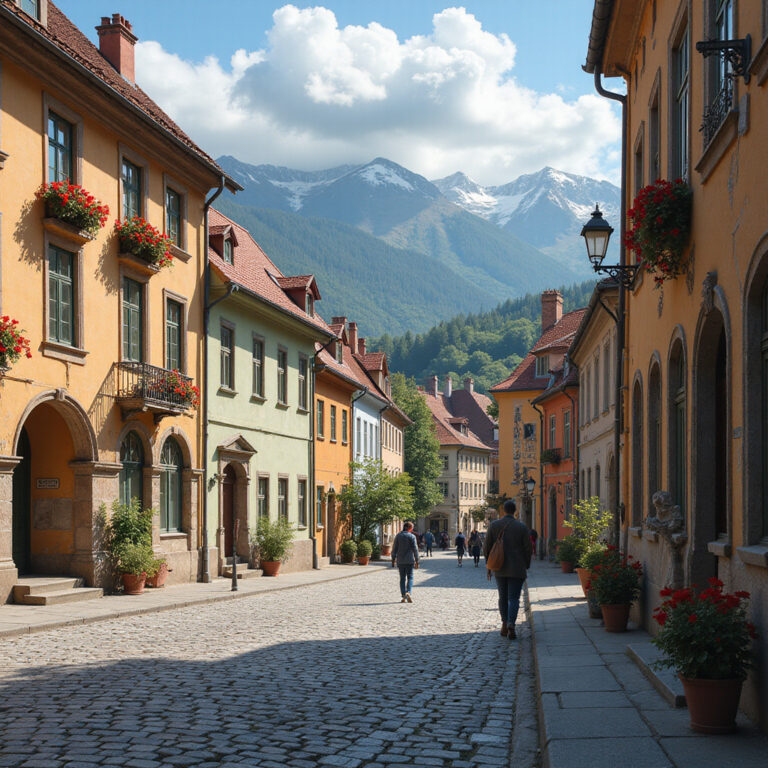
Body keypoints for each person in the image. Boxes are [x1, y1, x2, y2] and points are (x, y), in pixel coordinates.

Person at [483, 499, 532, 639]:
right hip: (517, 568)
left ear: (503, 510)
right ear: (515, 511)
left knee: (502, 597)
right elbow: (528, 548)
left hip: (499, 567)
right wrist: (526, 564)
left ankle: (504, 623)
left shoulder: (494, 525)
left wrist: (488, 564)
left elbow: (486, 547)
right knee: (514, 598)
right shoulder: (521, 527)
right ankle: (511, 623)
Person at [391, 521, 420, 603]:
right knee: (410, 577)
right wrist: (417, 560)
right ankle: (408, 592)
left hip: (400, 561)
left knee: (402, 578)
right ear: (409, 528)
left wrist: (393, 559)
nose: (412, 529)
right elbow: (415, 549)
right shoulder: (412, 536)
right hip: (410, 560)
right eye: (412, 528)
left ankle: (404, 594)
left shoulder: (398, 536)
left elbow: (394, 549)